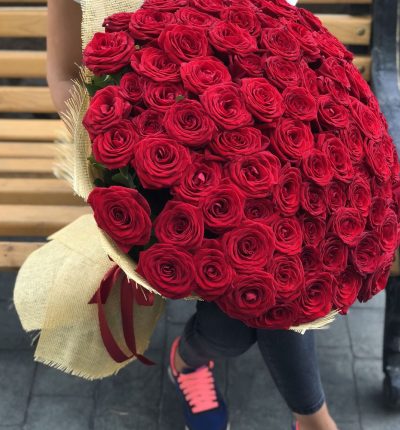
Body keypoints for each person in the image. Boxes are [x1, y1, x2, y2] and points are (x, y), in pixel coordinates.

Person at [47, 1, 340, 429]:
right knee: (246, 311)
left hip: (260, 145)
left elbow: (286, 44)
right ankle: (305, 414)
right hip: (143, 164)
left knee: (274, 277)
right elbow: (63, 75)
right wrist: (111, 135)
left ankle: (293, 409)